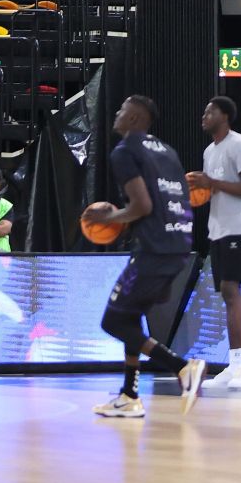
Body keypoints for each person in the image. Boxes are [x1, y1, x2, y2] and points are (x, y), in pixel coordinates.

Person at [82, 94, 204, 420]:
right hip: (179, 244)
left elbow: (142, 206)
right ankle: (129, 395)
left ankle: (182, 367)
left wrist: (110, 218)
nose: (117, 113)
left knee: (114, 321)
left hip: (154, 249)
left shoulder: (124, 151)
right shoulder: (168, 151)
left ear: (134, 118)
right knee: (132, 316)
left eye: (122, 110)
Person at [198, 94, 241, 394]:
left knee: (230, 289)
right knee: (227, 292)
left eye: (209, 112)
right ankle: (235, 363)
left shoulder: (239, 144)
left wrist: (211, 183)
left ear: (224, 116)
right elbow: (215, 189)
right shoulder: (209, 151)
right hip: (220, 229)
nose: (204, 116)